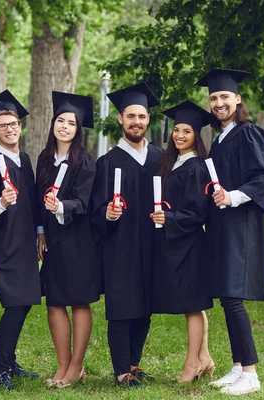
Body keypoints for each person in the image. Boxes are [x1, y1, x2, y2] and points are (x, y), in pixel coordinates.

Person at [196, 68, 264, 395]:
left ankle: (252, 374)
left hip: (240, 226)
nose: (219, 103)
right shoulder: (220, 139)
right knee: (227, 295)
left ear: (237, 99)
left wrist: (233, 196)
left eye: (225, 97)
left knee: (233, 298)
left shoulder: (248, 133)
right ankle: (237, 367)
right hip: (222, 226)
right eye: (214, 98)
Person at [90, 82, 163, 388]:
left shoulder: (161, 159)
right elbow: (94, 210)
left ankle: (134, 364)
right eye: (130, 116)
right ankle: (121, 371)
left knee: (145, 307)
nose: (136, 121)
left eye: (142, 116)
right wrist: (107, 212)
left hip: (153, 245)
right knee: (121, 308)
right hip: (119, 247)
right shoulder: (107, 163)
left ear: (148, 120)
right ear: (120, 119)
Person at [0, 90, 42, 391]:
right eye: (3, 125)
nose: (11, 128)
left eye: (14, 123)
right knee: (16, 304)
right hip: (4, 244)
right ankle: (2, 369)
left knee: (25, 303)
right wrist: (1, 201)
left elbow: (34, 202)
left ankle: (10, 361)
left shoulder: (24, 160)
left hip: (27, 241)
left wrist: (40, 233)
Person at [35, 91, 101, 388]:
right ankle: (62, 365)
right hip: (52, 240)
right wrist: (40, 232)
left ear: (78, 129)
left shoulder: (84, 161)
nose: (64, 126)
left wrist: (60, 206)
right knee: (54, 302)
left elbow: (84, 202)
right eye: (60, 120)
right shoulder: (45, 158)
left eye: (70, 123)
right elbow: (38, 200)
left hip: (78, 240)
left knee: (78, 301)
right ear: (53, 124)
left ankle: (76, 366)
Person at [150, 101, 214, 384]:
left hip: (189, 243)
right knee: (193, 303)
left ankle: (192, 364)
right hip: (175, 243)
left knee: (192, 304)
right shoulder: (172, 163)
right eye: (176, 130)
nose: (179, 135)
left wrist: (169, 218)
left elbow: (198, 213)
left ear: (196, 136)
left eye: (186, 131)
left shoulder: (196, 167)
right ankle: (206, 358)